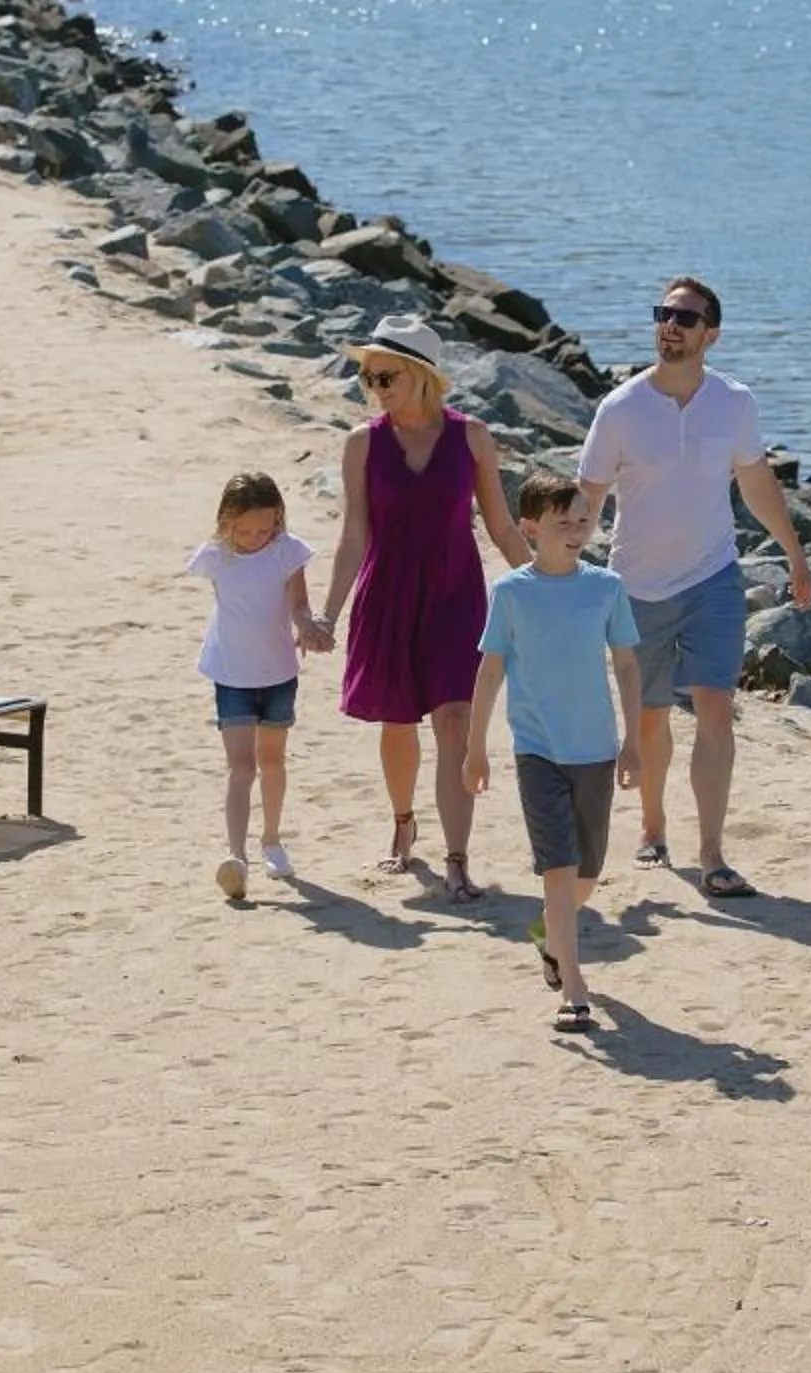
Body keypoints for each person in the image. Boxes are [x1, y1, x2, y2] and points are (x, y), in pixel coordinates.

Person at [575, 275, 811, 901]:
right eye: (664, 314)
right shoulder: (620, 408)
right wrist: (560, 570)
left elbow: (756, 483)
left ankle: (712, 854)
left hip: (713, 578)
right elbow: (590, 496)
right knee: (651, 719)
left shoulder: (734, 403)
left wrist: (795, 554)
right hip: (637, 586)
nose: (670, 326)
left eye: (685, 318)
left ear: (712, 335)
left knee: (714, 706)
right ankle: (653, 827)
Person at [316, 316, 529, 902]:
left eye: (386, 376)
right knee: (397, 720)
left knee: (456, 720)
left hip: (456, 593)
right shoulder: (362, 443)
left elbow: (501, 525)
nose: (375, 387)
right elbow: (353, 535)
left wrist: (547, 586)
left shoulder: (472, 437)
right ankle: (404, 821)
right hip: (387, 593)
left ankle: (457, 859)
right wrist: (328, 613)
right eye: (368, 377)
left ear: (421, 375)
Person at [464, 472, 642, 1035]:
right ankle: (573, 989)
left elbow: (627, 665)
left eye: (584, 521)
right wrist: (475, 748)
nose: (576, 531)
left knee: (587, 873)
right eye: (563, 522)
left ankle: (548, 937)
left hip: (596, 749)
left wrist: (634, 741)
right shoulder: (511, 593)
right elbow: (490, 670)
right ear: (530, 528)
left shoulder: (607, 587)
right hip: (537, 749)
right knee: (558, 872)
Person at [186, 471, 324, 902]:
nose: (253, 539)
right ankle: (236, 856)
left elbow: (299, 605)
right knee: (241, 768)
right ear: (225, 521)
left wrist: (308, 627)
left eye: (263, 530)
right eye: (243, 530)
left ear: (277, 518)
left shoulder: (287, 551)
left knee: (273, 762)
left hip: (278, 672)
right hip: (232, 675)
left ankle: (271, 840)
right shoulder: (216, 556)